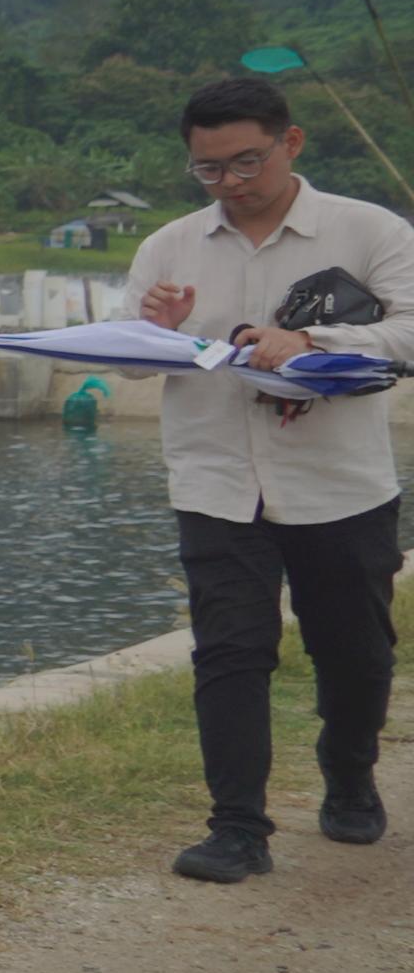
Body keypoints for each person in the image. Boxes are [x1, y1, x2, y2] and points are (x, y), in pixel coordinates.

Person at [125, 74, 414, 879]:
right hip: (216, 482)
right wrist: (156, 334)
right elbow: (133, 360)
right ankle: (237, 829)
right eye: (210, 170)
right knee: (230, 651)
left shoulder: (369, 231)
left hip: (339, 483)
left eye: (246, 163)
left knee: (355, 654)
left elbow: (412, 329)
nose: (231, 185)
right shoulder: (170, 246)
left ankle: (350, 774)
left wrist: (316, 344)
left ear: (290, 143)